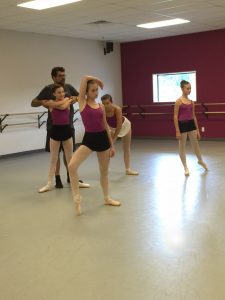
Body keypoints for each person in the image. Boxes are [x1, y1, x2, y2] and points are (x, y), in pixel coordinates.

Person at [68, 76, 121, 216]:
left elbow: (105, 125)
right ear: (86, 92)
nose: (96, 93)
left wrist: (112, 145)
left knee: (104, 172)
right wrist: (98, 79)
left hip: (103, 138)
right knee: (72, 166)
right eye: (93, 90)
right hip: (89, 139)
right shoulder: (82, 102)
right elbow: (85, 78)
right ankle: (77, 199)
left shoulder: (101, 106)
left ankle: (107, 198)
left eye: (97, 90)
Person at [31, 66, 90, 188]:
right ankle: (57, 178)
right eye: (60, 76)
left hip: (68, 126)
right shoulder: (48, 89)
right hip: (53, 126)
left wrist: (74, 98)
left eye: (64, 75)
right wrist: (44, 102)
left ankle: (71, 176)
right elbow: (33, 102)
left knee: (69, 154)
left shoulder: (68, 87)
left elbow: (82, 97)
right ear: (53, 77)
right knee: (55, 154)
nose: (63, 78)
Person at [39, 84, 73, 192]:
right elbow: (62, 106)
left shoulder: (51, 103)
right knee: (53, 160)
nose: (62, 94)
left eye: (63, 92)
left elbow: (62, 107)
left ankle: (74, 180)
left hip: (67, 131)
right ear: (54, 94)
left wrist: (53, 103)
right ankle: (49, 183)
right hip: (55, 132)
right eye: (59, 92)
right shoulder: (62, 101)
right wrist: (67, 100)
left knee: (70, 159)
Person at [174, 80, 208, 176]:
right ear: (182, 89)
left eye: (190, 88)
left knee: (195, 144)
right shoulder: (178, 102)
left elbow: (193, 116)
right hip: (182, 125)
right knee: (182, 146)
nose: (189, 90)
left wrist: (197, 130)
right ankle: (185, 167)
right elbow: (175, 116)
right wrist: (177, 130)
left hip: (191, 124)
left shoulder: (192, 102)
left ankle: (200, 160)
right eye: (187, 88)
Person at [101, 94, 138, 175]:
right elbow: (105, 124)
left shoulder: (117, 109)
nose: (106, 106)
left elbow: (119, 126)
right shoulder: (102, 110)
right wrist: (110, 136)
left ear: (111, 102)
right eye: (104, 104)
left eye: (107, 103)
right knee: (108, 148)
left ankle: (128, 169)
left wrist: (114, 139)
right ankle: (105, 168)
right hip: (113, 129)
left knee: (126, 148)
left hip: (124, 126)